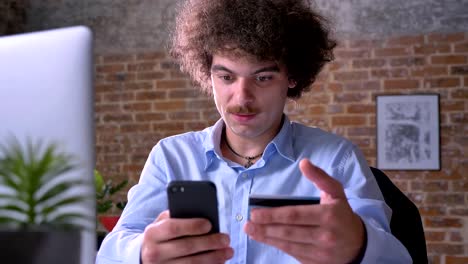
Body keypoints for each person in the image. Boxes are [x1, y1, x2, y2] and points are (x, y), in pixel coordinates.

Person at [96, 0, 412, 263]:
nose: (242, 98)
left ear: (292, 76)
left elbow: (399, 259)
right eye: (227, 77)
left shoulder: (336, 159)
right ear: (208, 76)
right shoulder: (171, 157)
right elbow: (108, 254)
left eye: (262, 78)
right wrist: (140, 253)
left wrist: (359, 245)